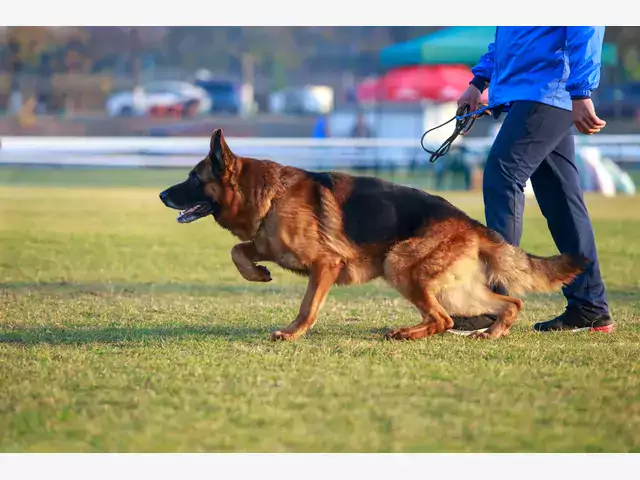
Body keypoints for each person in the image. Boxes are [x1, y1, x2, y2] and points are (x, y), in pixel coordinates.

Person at [448, 26, 614, 335]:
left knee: (502, 176)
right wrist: (479, 81)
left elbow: (586, 23)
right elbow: (509, 35)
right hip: (535, 90)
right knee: (561, 201)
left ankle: (490, 304)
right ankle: (589, 306)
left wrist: (581, 91)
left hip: (550, 89)